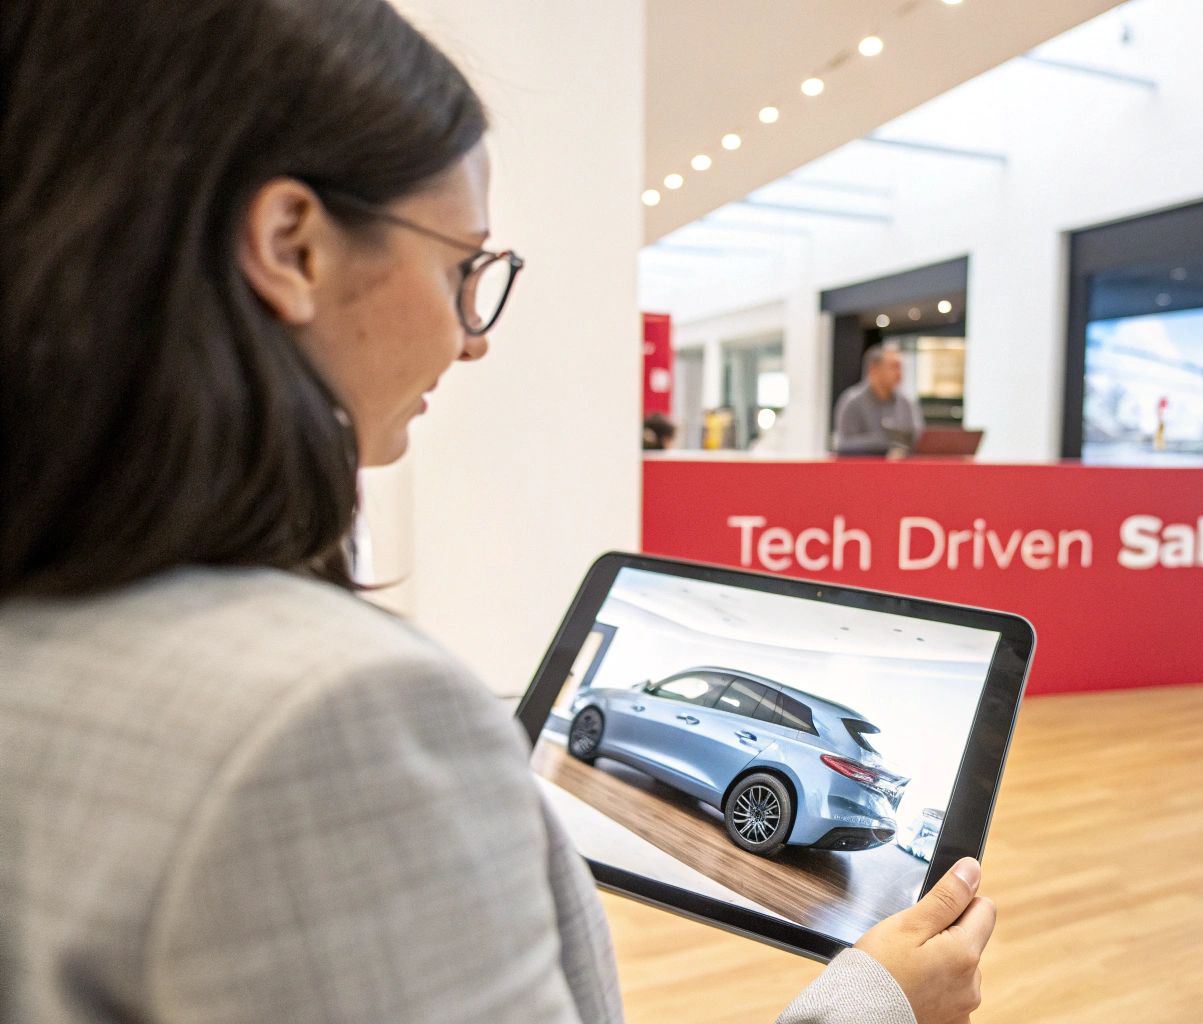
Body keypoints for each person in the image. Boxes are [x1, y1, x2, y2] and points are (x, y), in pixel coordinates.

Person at [0, 4, 990, 1023]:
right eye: (461, 267)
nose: (472, 338)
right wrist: (879, 1002)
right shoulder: (331, 718)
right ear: (293, 245)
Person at [832, 342, 925, 456]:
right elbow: (843, 444)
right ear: (873, 369)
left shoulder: (907, 403)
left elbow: (916, 440)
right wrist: (885, 442)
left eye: (901, 367)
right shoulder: (852, 401)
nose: (899, 373)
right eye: (894, 367)